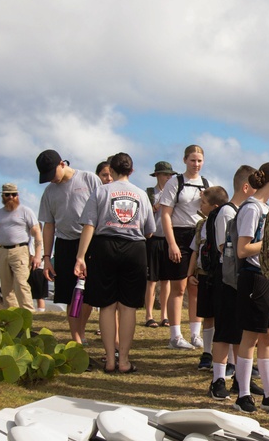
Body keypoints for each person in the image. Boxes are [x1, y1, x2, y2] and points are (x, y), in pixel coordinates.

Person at [75, 153, 155, 374]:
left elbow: (89, 224)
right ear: (132, 170)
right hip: (134, 248)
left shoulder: (101, 190)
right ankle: (124, 360)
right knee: (128, 306)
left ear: (111, 170)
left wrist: (81, 256)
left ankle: (110, 359)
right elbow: (149, 230)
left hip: (105, 246)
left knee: (107, 305)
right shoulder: (141, 194)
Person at [231, 162, 269, 414]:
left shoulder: (267, 208)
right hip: (253, 275)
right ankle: (243, 393)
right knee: (250, 336)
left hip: (268, 276)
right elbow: (243, 249)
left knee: (267, 336)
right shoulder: (252, 208)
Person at [36, 150, 101, 342]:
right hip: (64, 244)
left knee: (89, 294)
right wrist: (47, 258)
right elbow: (48, 225)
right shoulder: (49, 191)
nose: (51, 180)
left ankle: (81, 329)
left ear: (62, 164)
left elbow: (101, 208)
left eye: (52, 174)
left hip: (90, 242)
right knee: (70, 294)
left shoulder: (89, 179)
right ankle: (76, 337)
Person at [207, 165, 256, 400]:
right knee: (225, 331)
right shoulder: (228, 212)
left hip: (241, 276)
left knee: (240, 330)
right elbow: (224, 248)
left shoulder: (244, 210)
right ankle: (218, 379)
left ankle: (239, 378)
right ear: (246, 187)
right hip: (227, 277)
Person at [159, 145, 210, 351]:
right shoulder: (175, 182)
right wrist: (171, 243)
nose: (196, 164)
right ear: (184, 160)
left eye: (199, 160)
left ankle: (196, 333)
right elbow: (165, 214)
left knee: (196, 286)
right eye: (192, 160)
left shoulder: (207, 183)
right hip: (178, 235)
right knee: (178, 287)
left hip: (199, 235)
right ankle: (175, 335)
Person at [187, 185, 228, 371]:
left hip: (219, 274)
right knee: (207, 315)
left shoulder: (226, 221)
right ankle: (207, 352)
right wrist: (190, 273)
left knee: (222, 315)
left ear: (215, 206)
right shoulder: (201, 226)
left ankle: (223, 356)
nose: (200, 206)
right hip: (204, 275)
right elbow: (195, 250)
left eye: (203, 202)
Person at [0, 184, 42, 311]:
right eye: (7, 194)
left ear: (18, 195)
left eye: (14, 194)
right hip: (2, 251)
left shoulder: (25, 211)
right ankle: (12, 318)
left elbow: (37, 232)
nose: (11, 197)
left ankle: (28, 314)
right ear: (3, 196)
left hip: (20, 250)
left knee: (21, 283)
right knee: (6, 287)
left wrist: (38, 255)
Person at [145, 161, 176, 328]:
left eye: (170, 175)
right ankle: (149, 315)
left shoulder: (174, 193)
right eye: (165, 174)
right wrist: (161, 202)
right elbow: (149, 211)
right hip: (153, 238)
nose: (168, 177)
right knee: (151, 279)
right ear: (157, 175)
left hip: (168, 239)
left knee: (166, 279)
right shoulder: (149, 193)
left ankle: (164, 315)